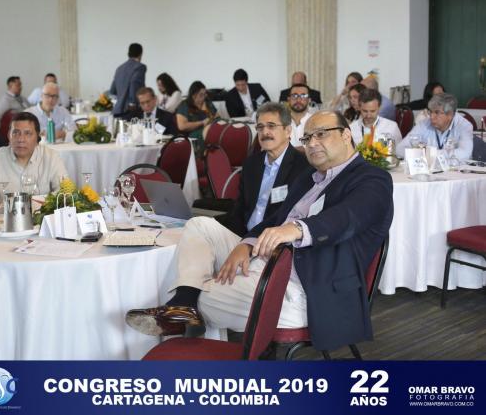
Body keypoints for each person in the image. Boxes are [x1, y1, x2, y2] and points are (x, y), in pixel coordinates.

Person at [126, 110, 394, 353]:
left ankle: (186, 310)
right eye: (307, 137)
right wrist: (247, 244)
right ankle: (184, 304)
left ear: (346, 135)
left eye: (321, 134)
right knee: (200, 226)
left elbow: (347, 218)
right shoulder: (309, 179)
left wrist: (295, 229)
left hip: (307, 290)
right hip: (269, 261)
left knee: (204, 295)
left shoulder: (372, 178)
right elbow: (274, 218)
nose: (312, 143)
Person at [215, 102, 310, 237]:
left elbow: (294, 217)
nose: (265, 132)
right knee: (197, 224)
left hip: (272, 241)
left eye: (271, 126)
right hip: (241, 235)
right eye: (260, 127)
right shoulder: (251, 164)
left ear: (287, 131)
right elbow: (240, 208)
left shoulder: (303, 167)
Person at [0, 112, 68, 209]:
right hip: (5, 216)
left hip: (43, 216)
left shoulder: (51, 157)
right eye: (16, 133)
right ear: (8, 136)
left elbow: (65, 192)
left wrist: (36, 203)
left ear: (37, 137)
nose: (21, 139)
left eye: (28, 133)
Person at [396, 93, 473, 160]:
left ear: (450, 114)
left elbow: (465, 153)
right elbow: (399, 149)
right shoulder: (424, 124)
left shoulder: (464, 126)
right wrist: (426, 154)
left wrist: (429, 153)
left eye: (437, 112)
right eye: (430, 111)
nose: (432, 117)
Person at [175, 81, 219, 152]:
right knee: (209, 132)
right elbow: (182, 126)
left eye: (205, 94)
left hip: (210, 130)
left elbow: (217, 118)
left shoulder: (207, 103)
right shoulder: (184, 105)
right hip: (193, 134)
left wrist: (207, 112)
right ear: (193, 95)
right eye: (201, 95)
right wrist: (201, 123)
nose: (203, 97)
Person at [110, 43, 146, 116]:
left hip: (117, 110)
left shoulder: (119, 68)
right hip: (131, 110)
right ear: (140, 54)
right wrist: (133, 103)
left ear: (128, 53)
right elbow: (134, 84)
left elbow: (112, 90)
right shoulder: (140, 67)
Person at [286, 84, 313, 148]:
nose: (298, 100)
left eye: (303, 95)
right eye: (294, 96)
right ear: (288, 99)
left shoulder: (315, 121)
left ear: (309, 100)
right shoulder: (280, 121)